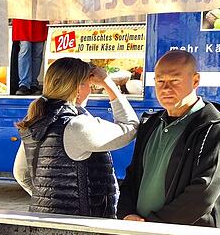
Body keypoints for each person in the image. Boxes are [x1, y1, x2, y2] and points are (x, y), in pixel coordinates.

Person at [117, 51, 220, 227]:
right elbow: (133, 176)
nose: (166, 88)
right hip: (141, 230)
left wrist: (153, 224)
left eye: (174, 81)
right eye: (160, 81)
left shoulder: (214, 129)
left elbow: (204, 192)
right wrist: (127, 213)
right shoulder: (151, 124)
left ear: (195, 81)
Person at [14, 57, 139, 218]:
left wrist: (48, 200)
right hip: (81, 225)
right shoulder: (76, 126)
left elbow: (21, 173)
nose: (91, 90)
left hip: (43, 219)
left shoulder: (36, 121)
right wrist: (108, 84)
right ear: (78, 88)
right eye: (89, 85)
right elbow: (130, 127)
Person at [12, 19, 49, 96]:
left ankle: (33, 83)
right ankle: (24, 83)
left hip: (39, 19)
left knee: (38, 50)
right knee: (25, 47)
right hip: (22, 18)